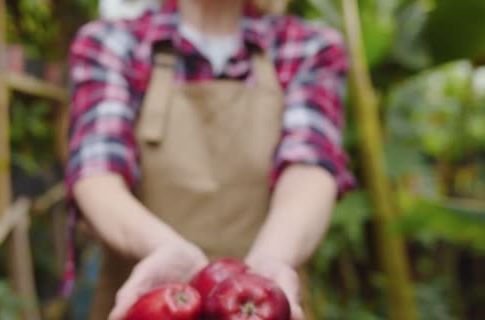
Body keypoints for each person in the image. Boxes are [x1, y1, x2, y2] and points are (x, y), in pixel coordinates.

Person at [64, 0, 355, 319]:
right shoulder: (112, 42)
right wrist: (163, 248)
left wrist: (269, 264)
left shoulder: (307, 47)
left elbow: (309, 170)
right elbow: (97, 174)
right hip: (143, 302)